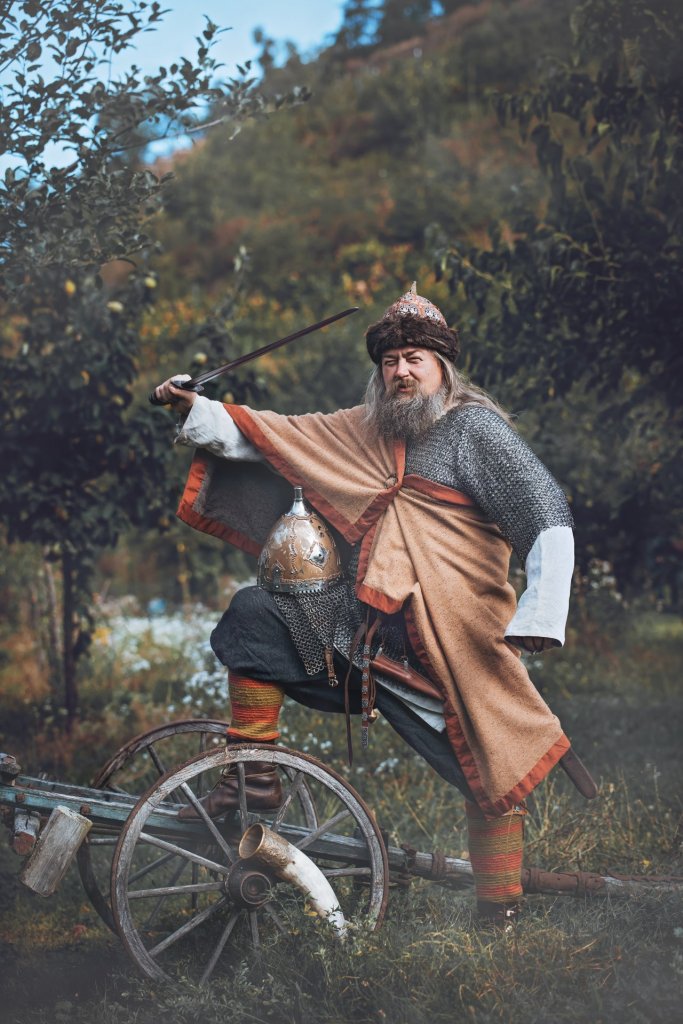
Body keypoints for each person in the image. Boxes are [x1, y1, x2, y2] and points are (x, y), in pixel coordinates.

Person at [154, 285, 576, 923]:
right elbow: (271, 436)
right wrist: (196, 406)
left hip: (453, 637)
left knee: (491, 769)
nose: (401, 371)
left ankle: (500, 910)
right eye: (390, 361)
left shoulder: (476, 431)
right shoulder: (362, 429)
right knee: (254, 613)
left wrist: (541, 617)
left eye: (415, 359)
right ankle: (253, 778)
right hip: (358, 628)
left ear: (442, 367)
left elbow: (545, 517)